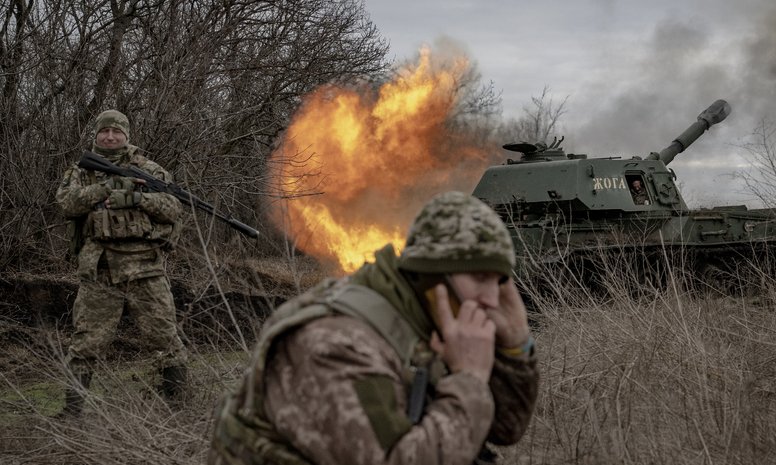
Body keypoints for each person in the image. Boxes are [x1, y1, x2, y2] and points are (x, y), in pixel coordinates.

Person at [209, 191, 539, 465]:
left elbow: (504, 428)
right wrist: (468, 380)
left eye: (499, 281)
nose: (492, 298)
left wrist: (515, 345)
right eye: (479, 278)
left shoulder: (431, 318)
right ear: (434, 275)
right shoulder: (336, 342)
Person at [56, 109, 188, 415]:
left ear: (127, 136)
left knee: (165, 336)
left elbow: (173, 208)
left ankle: (180, 407)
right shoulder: (80, 171)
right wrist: (105, 189)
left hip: (146, 267)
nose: (111, 136)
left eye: (117, 132)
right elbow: (66, 203)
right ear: (97, 135)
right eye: (105, 131)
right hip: (100, 268)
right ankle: (71, 413)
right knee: (86, 342)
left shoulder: (148, 168)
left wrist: (137, 199)